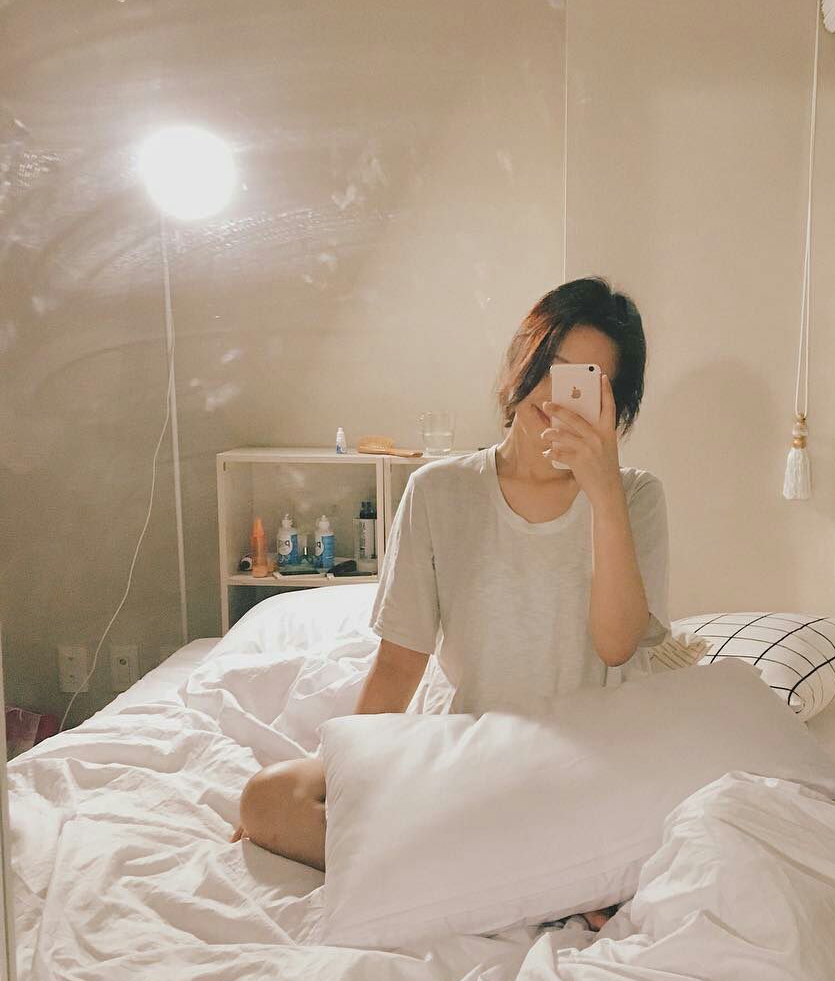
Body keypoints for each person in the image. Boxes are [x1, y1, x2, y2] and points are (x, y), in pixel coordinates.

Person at [232, 277, 670, 931]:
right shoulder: (439, 492)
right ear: (521, 360)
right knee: (268, 799)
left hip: (581, 769)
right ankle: (546, 881)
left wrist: (602, 491)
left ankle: (499, 875)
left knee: (664, 831)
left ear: (616, 408)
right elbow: (398, 664)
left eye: (587, 384)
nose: (558, 397)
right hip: (470, 764)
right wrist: (341, 780)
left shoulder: (635, 497)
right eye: (551, 366)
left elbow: (616, 645)